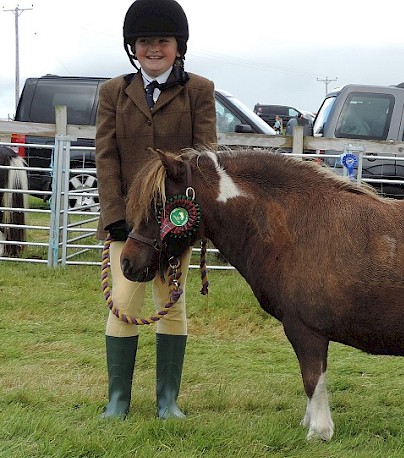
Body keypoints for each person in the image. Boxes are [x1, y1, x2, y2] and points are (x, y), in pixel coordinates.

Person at [95, 0, 217, 420]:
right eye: (145, 41)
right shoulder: (113, 92)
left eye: (161, 41)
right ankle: (118, 401)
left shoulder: (199, 90)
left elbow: (204, 157)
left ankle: (168, 401)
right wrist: (115, 216)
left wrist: (185, 217)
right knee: (125, 301)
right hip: (128, 224)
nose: (153, 49)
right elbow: (106, 157)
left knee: (172, 301)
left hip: (175, 219)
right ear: (134, 46)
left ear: (177, 46)